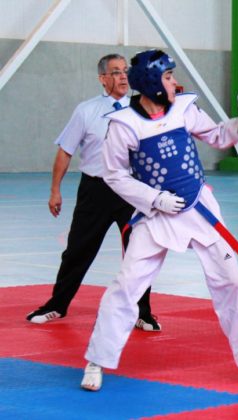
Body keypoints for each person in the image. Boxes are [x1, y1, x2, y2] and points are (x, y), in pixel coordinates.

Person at [80, 50, 238, 391]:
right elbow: (114, 175)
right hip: (155, 217)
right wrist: (155, 199)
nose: (173, 82)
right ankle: (97, 360)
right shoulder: (123, 124)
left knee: (231, 282)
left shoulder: (184, 109)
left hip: (200, 209)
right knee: (126, 287)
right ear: (153, 83)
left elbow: (217, 135)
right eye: (167, 77)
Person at [26, 54, 160, 332]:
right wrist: (55, 191)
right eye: (116, 72)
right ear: (102, 78)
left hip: (132, 191)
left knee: (139, 253)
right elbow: (65, 150)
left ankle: (143, 312)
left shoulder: (142, 109)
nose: (123, 76)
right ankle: (56, 305)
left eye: (126, 71)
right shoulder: (86, 111)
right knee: (77, 250)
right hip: (95, 190)